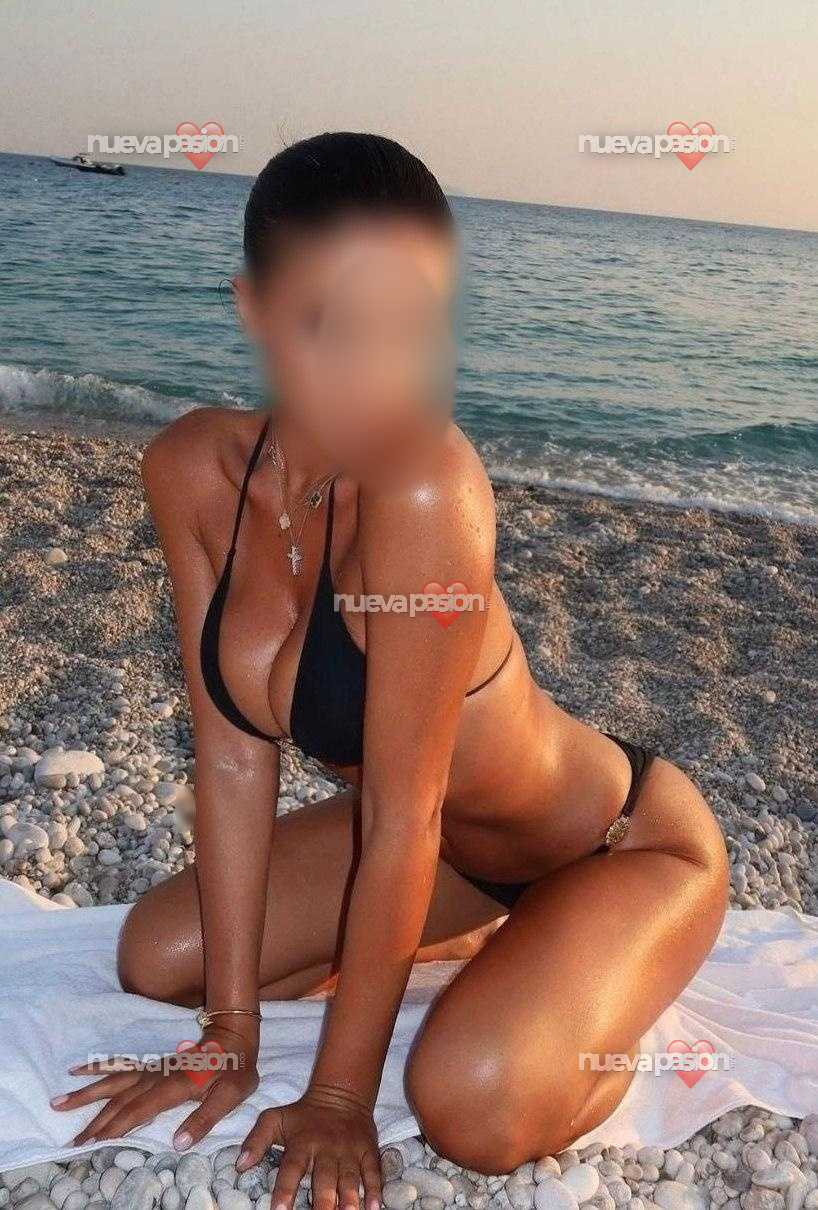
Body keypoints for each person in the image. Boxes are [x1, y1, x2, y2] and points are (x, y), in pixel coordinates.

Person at [52, 132, 728, 1204]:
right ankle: (498, 947)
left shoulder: (422, 488)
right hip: (454, 859)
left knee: (471, 1105)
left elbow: (401, 818)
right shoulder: (189, 468)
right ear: (253, 309)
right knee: (159, 959)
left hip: (616, 845)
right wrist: (231, 1036)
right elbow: (231, 761)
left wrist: (337, 1097)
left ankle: (606, 986)